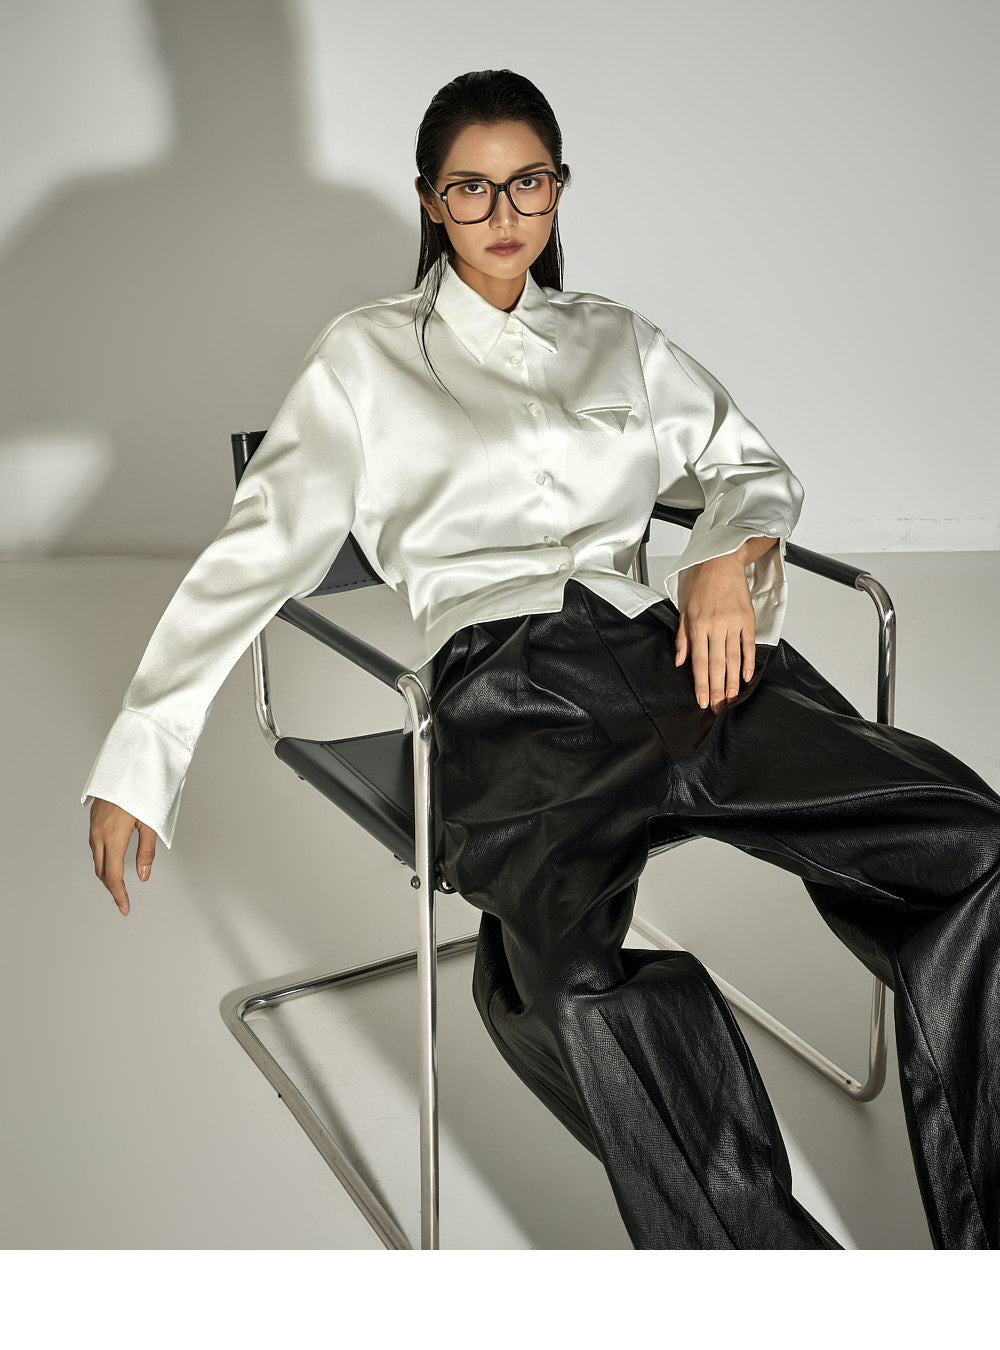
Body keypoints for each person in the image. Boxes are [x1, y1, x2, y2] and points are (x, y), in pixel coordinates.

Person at [84, 69, 1000, 1250]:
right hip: (508, 690)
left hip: (676, 654)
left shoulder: (615, 338)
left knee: (972, 845)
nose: (503, 210)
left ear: (558, 188)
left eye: (528, 182)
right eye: (472, 188)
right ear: (432, 201)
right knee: (564, 982)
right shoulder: (365, 359)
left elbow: (749, 468)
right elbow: (253, 555)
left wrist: (721, 558)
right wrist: (142, 748)